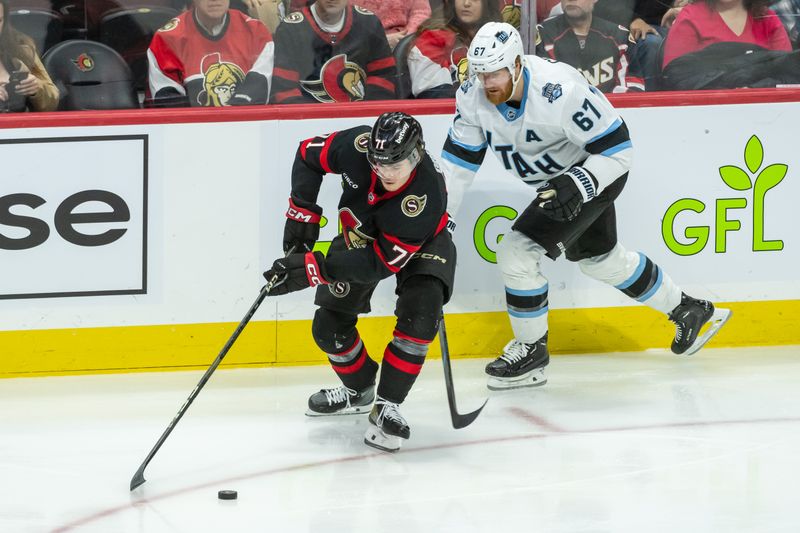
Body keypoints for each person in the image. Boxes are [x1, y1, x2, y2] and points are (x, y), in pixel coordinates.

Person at [440, 22, 731, 390]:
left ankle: (531, 351)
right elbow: (458, 162)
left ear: (516, 65)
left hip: (597, 171)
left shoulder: (559, 90)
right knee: (601, 260)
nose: (487, 83)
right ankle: (687, 308)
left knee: (517, 252)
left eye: (495, 72)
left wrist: (580, 183)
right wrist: (440, 218)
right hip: (557, 183)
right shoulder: (473, 95)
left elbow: (618, 149)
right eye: (481, 74)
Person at [262, 112, 455, 452]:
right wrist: (302, 212)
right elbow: (308, 155)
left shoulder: (425, 195)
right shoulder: (357, 146)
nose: (385, 173)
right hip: (362, 236)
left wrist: (313, 267)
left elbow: (378, 264)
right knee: (328, 328)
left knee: (421, 314)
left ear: (417, 154)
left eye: (396, 165)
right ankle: (360, 390)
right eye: (378, 164)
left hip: (422, 242)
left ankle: (387, 406)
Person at [146, 0, 274, 107]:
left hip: (245, 131)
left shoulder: (256, 33)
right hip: (190, 134)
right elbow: (170, 110)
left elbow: (257, 96)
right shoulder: (167, 40)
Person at [270, 0, 396, 103]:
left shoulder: (369, 23)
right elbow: (284, 90)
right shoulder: (291, 29)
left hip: (360, 121)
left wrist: (364, 114)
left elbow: (384, 77)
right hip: (309, 123)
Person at [536, 0, 644, 93]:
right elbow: (539, 89)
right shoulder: (543, 34)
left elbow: (633, 89)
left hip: (609, 112)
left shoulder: (619, 36)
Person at [407, 0, 501, 98]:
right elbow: (434, 95)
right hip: (449, 110)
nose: (466, 3)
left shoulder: (499, 38)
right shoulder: (431, 39)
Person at [662, 0, 791, 69]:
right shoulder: (690, 18)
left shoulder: (768, 19)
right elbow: (676, 79)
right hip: (705, 112)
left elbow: (787, 73)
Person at [0, 0, 58, 112]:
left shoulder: (21, 46)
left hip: (23, 126)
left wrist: (37, 88)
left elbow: (53, 102)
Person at [349, 0, 431, 49]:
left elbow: (421, 13)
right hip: (365, 44)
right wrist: (381, 41)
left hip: (406, 38)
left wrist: (405, 39)